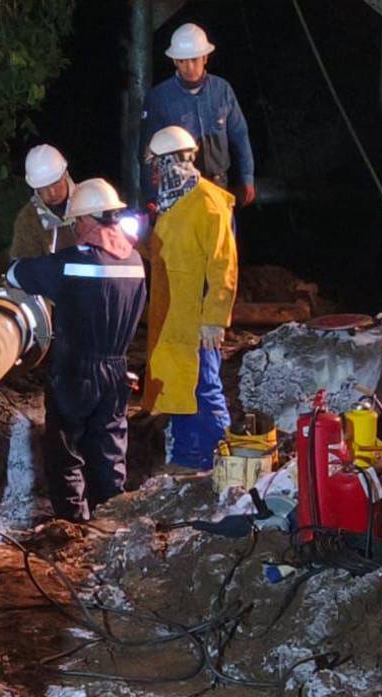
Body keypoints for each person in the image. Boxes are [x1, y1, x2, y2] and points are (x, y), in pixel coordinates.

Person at [6, 179, 147, 522]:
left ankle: (73, 527)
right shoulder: (136, 261)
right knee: (109, 452)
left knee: (65, 452)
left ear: (88, 219)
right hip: (116, 371)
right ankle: (110, 525)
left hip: (75, 372)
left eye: (77, 221)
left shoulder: (71, 263)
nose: (76, 228)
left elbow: (17, 272)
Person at [141, 126, 237, 472]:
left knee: (205, 387)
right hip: (173, 313)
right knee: (179, 386)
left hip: (197, 317)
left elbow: (224, 264)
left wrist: (215, 317)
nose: (155, 173)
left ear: (174, 162)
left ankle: (222, 459)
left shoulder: (208, 203)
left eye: (158, 164)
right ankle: (186, 456)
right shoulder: (173, 203)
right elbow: (167, 255)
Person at [141, 23, 255, 208]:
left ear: (205, 57)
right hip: (179, 192)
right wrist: (151, 195)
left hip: (219, 186)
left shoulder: (222, 90)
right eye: (182, 61)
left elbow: (239, 135)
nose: (189, 67)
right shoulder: (159, 98)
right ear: (174, 61)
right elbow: (147, 151)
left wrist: (247, 176)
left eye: (194, 59)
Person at [11, 144, 78, 260]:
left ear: (65, 174)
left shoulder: (92, 202)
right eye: (43, 187)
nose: (52, 193)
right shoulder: (28, 219)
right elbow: (23, 266)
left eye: (55, 183)